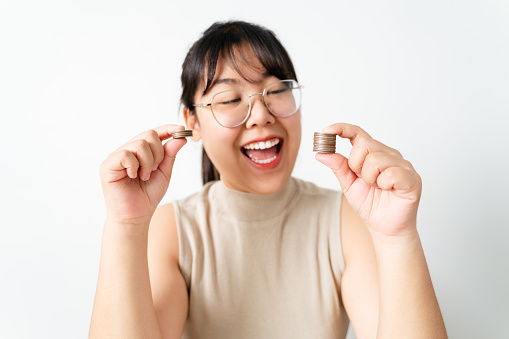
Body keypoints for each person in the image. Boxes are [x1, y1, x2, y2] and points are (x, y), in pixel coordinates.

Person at [89, 21, 447, 339]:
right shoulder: (173, 230)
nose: (261, 114)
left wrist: (398, 238)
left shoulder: (344, 220)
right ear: (192, 121)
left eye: (276, 91)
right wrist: (126, 226)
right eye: (230, 98)